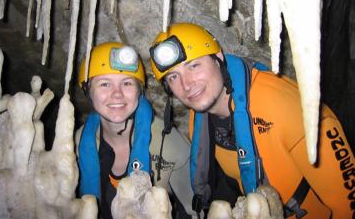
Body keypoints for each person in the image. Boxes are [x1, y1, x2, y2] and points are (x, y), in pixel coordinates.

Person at [148, 23, 355, 219]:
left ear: (218, 58)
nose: (187, 84)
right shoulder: (199, 118)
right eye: (173, 77)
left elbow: (347, 201)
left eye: (194, 65)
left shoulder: (283, 105)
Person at [76, 42, 197, 219]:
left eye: (127, 83)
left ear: (139, 91)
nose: (117, 94)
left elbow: (194, 211)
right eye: (104, 84)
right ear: (88, 91)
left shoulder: (168, 143)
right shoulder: (76, 143)